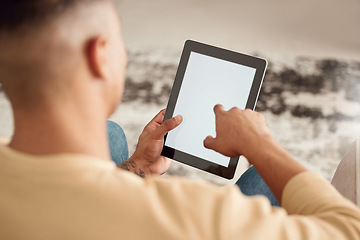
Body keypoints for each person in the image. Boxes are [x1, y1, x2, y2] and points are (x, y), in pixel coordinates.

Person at [0, 0, 359, 239]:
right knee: (265, 178)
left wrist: (136, 166)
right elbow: (345, 228)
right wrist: (260, 145)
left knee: (108, 134)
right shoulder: (191, 216)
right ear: (100, 56)